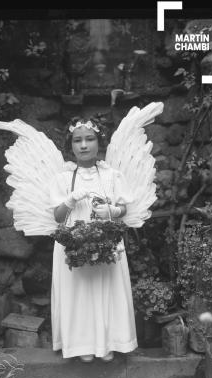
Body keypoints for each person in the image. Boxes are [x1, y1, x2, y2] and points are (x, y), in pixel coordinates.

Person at [48, 116, 138, 362]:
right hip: (73, 243)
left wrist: (112, 211)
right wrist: (69, 200)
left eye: (90, 139)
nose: (84, 145)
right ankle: (81, 344)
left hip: (105, 239)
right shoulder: (63, 179)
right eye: (78, 140)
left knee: (105, 288)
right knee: (78, 291)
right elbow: (57, 217)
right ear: (71, 145)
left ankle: (108, 342)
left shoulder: (112, 176)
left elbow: (123, 208)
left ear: (100, 142)